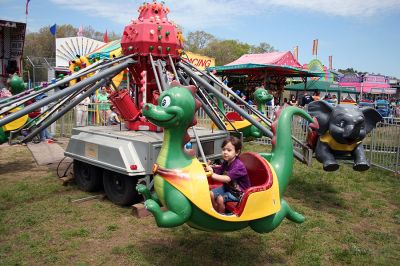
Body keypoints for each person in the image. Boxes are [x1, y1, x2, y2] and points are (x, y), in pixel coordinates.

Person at [207, 136, 251, 214]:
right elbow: (220, 171)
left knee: (220, 199)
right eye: (224, 149)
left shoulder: (238, 166)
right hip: (228, 188)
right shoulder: (226, 162)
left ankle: (221, 216)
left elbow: (227, 178)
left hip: (239, 193)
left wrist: (212, 175)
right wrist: (211, 168)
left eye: (229, 150)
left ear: (237, 152)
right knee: (210, 194)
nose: (225, 152)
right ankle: (215, 210)